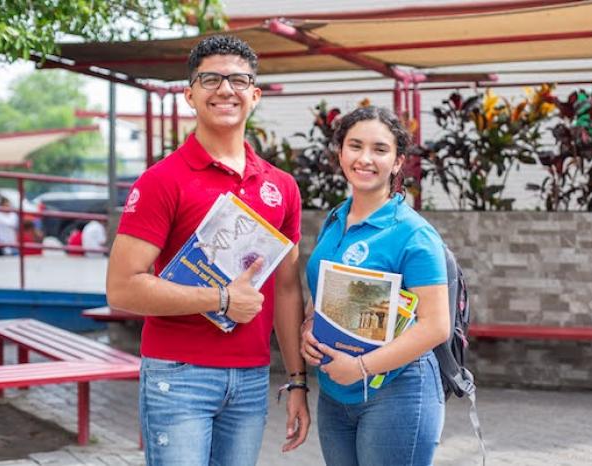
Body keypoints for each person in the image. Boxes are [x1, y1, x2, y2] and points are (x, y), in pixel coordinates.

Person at [106, 35, 309, 466]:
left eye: (238, 80)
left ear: (254, 95)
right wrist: (220, 299)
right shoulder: (162, 180)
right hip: (178, 375)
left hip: (252, 378)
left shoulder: (282, 187)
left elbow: (288, 291)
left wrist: (297, 382)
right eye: (210, 79)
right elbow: (122, 289)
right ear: (190, 95)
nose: (224, 90)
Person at [301, 106, 451, 466]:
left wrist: (363, 368)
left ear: (398, 162)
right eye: (355, 146)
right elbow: (321, 292)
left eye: (380, 150)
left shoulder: (413, 233)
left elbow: (436, 325)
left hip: (397, 390)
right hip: (335, 391)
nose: (365, 158)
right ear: (340, 153)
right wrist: (307, 328)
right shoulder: (336, 218)